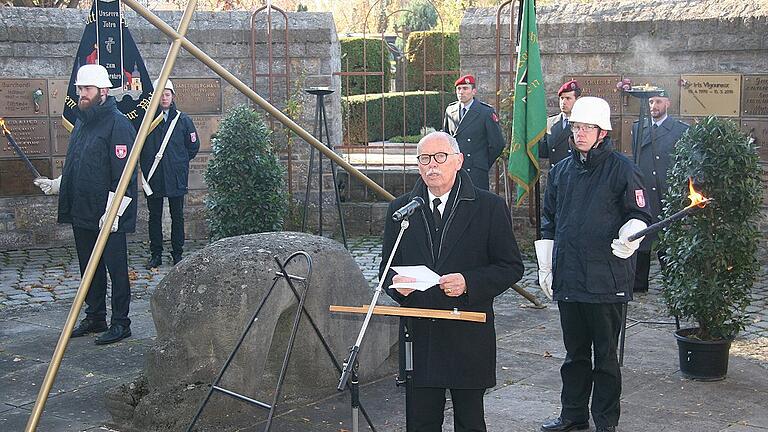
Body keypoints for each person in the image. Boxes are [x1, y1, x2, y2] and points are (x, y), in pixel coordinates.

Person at [380, 131, 524, 431]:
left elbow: (511, 267)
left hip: (468, 334)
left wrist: (469, 282)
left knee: (470, 422)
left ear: (458, 160)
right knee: (420, 423)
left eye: (440, 157)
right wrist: (398, 286)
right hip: (421, 336)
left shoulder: (489, 207)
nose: (432, 165)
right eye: (424, 159)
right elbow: (386, 270)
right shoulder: (401, 210)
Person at [536, 97, 652, 432]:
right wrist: (547, 265)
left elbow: (640, 212)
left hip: (606, 279)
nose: (580, 133)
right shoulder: (560, 171)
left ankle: (605, 421)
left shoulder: (623, 169)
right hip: (570, 277)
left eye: (587, 127)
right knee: (574, 356)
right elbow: (549, 220)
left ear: (603, 132)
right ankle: (572, 414)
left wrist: (633, 231)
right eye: (576, 126)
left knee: (605, 357)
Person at [33, 64, 138, 345]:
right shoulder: (81, 122)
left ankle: (120, 322)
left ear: (103, 91)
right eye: (80, 89)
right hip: (83, 210)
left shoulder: (119, 124)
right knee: (88, 268)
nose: (82, 94)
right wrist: (59, 183)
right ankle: (95, 317)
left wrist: (114, 210)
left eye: (87, 89)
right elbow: (80, 163)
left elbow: (124, 172)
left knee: (115, 268)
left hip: (107, 214)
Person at [630, 89, 689, 292]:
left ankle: (670, 281)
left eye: (658, 102)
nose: (653, 106)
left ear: (668, 104)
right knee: (642, 236)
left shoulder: (680, 130)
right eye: (651, 102)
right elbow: (636, 163)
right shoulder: (639, 128)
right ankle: (639, 283)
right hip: (645, 193)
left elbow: (684, 162)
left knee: (667, 238)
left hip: (667, 192)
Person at [140, 78, 199, 268]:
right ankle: (155, 254)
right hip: (154, 176)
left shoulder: (183, 120)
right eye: (161, 94)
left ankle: (177, 253)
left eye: (167, 94)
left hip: (175, 176)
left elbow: (193, 147)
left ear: (173, 97)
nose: (164, 98)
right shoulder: (147, 120)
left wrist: (178, 163)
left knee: (177, 215)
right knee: (154, 216)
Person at [442, 74, 506, 190]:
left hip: (476, 171)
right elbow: (446, 139)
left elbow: (497, 144)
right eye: (459, 89)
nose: (461, 92)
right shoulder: (450, 110)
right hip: (455, 169)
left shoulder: (485, 112)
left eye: (465, 88)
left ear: (474, 91)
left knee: (476, 204)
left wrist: (482, 162)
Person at [539, 79, 581, 167]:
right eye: (562, 98)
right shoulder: (550, 122)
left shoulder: (584, 124)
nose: (563, 102)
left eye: (568, 98)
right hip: (555, 176)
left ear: (577, 100)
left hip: (575, 176)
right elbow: (544, 152)